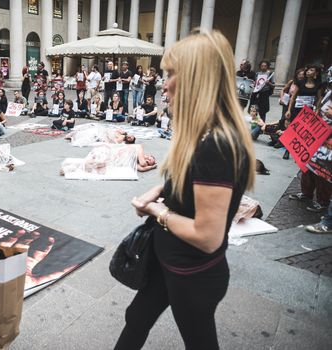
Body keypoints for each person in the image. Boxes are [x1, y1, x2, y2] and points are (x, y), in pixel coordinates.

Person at [114, 29, 255, 350]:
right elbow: (190, 178)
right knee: (136, 318)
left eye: (172, 73)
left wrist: (157, 210)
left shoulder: (216, 145)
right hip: (171, 263)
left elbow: (207, 236)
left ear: (197, 79)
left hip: (193, 274)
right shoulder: (205, 133)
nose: (164, 84)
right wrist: (158, 190)